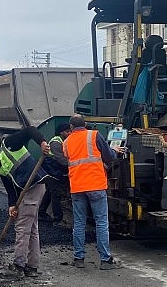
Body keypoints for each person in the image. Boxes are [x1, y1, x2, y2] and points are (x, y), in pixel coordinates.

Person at [0, 127, 50, 279]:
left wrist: (42, 142)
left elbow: (30, 130)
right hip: (26, 189)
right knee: (31, 228)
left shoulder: (10, 143)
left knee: (22, 227)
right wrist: (12, 205)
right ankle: (31, 267)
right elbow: (9, 186)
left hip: (35, 185)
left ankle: (18, 266)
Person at [63, 114, 125, 270]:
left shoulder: (66, 142)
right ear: (85, 124)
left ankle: (79, 258)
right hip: (95, 185)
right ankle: (105, 260)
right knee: (101, 223)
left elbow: (71, 157)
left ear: (71, 127)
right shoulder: (94, 135)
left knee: (79, 223)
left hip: (77, 187)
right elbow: (109, 157)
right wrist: (114, 150)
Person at [39, 123, 71, 223]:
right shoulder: (56, 143)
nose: (69, 133)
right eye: (67, 131)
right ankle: (58, 218)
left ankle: (41, 212)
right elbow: (61, 160)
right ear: (61, 132)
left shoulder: (61, 141)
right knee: (55, 193)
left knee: (49, 192)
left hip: (52, 170)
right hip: (52, 171)